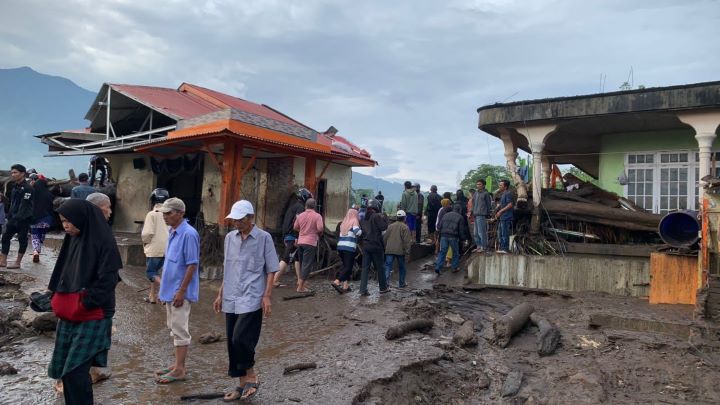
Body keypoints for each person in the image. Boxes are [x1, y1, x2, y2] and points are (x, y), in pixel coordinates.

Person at [47, 199, 122, 405]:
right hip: (71, 314)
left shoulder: (103, 241)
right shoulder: (73, 239)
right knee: (66, 370)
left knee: (76, 371)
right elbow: (63, 269)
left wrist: (85, 302)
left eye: (68, 221)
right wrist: (53, 293)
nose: (65, 226)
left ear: (82, 218)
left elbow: (108, 279)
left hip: (93, 314)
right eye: (62, 221)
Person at [213, 200, 277, 401]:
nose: (236, 224)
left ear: (251, 218)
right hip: (231, 295)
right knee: (232, 342)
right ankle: (241, 384)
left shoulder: (264, 238)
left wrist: (266, 296)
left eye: (240, 220)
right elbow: (228, 269)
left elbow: (271, 269)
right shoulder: (230, 238)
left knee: (241, 337)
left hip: (252, 295)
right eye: (234, 220)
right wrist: (220, 294)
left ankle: (252, 375)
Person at [155, 197, 200, 384]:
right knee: (173, 328)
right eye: (164, 213)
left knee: (180, 329)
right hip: (170, 290)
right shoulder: (173, 231)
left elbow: (192, 265)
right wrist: (163, 292)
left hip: (179, 291)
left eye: (169, 213)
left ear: (180, 213)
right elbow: (169, 265)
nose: (165, 216)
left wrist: (181, 291)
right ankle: (177, 364)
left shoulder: (189, 234)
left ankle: (180, 369)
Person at [274, 188, 311, 289]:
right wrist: (296, 236)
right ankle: (274, 279)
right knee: (286, 258)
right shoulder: (300, 208)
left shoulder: (293, 206)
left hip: (287, 234)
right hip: (292, 236)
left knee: (297, 258)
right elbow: (297, 223)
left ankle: (299, 280)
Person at [0, 164, 33, 269]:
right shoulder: (14, 186)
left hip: (23, 219)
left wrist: (18, 217)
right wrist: (9, 215)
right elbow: (12, 203)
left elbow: (25, 205)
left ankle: (18, 262)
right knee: (5, 238)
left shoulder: (28, 188)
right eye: (12, 172)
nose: (12, 175)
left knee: (22, 240)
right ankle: (3, 261)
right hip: (12, 218)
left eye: (15, 172)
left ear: (22, 173)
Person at [141, 188, 169, 304]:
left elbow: (147, 233)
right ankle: (153, 296)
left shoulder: (152, 214)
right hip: (168, 248)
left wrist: (145, 242)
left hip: (154, 248)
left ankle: (167, 291)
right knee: (160, 273)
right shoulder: (169, 214)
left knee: (151, 273)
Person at [293, 198, 324, 293]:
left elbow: (295, 227)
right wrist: (313, 231)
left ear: (306, 206)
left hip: (301, 242)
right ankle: (300, 287)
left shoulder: (300, 215)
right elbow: (320, 228)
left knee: (303, 264)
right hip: (310, 242)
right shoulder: (317, 216)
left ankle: (302, 284)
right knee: (307, 265)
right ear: (314, 206)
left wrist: (303, 231)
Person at [359, 199, 389, 296]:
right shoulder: (376, 216)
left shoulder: (363, 217)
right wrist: (384, 217)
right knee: (380, 267)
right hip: (376, 245)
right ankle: (383, 288)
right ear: (377, 206)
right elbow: (384, 227)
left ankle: (363, 289)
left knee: (365, 268)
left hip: (366, 245)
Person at [332, 208, 361, 294]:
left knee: (345, 266)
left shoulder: (343, 222)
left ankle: (345, 286)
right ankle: (337, 281)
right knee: (348, 268)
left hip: (340, 247)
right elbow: (357, 232)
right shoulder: (354, 220)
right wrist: (361, 231)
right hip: (349, 248)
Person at [435, 204, 470, 275]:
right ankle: (454, 267)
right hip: (453, 237)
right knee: (455, 253)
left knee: (442, 252)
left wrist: (440, 235)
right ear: (459, 210)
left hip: (443, 236)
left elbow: (439, 226)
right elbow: (461, 230)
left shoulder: (445, 215)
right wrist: (463, 240)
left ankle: (438, 267)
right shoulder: (460, 217)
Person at [383, 210, 412, 288]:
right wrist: (407, 252)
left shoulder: (390, 226)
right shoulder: (405, 227)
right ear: (404, 218)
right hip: (400, 251)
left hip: (389, 250)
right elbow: (407, 241)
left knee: (388, 267)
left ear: (397, 217)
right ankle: (401, 284)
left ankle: (385, 284)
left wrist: (386, 247)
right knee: (402, 267)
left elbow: (385, 238)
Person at [29, 175, 54, 263]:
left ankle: (36, 251)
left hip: (34, 218)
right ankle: (38, 251)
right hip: (47, 219)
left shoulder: (33, 193)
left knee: (34, 235)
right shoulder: (50, 195)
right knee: (41, 235)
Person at [471, 180, 493, 253]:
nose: (478, 185)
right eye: (477, 184)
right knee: (475, 233)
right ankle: (478, 246)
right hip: (475, 215)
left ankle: (484, 247)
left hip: (482, 215)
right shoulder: (475, 193)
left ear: (483, 185)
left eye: (479, 184)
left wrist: (488, 214)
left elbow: (489, 205)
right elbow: (473, 204)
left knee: (481, 232)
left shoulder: (486, 194)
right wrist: (471, 211)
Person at [494, 180, 514, 254]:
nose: (499, 186)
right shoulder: (503, 194)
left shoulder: (508, 193)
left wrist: (500, 211)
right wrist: (498, 207)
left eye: (501, 185)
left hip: (506, 217)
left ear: (505, 187)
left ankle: (505, 249)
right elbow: (504, 204)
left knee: (505, 233)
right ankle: (502, 248)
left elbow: (510, 205)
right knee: (501, 233)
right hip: (502, 217)